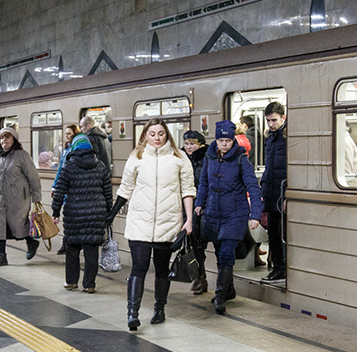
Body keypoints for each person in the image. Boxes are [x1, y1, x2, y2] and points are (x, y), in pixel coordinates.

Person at [107, 118, 195, 331]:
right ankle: (132, 313)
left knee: (162, 269)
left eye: (161, 134)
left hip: (168, 222)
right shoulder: (137, 156)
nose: (157, 138)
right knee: (139, 266)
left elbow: (188, 190)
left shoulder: (179, 157)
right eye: (152, 134)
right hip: (140, 222)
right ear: (145, 135)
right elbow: (126, 188)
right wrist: (112, 214)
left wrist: (189, 220)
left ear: (167, 135)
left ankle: (160, 308)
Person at [195, 121, 262, 314]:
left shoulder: (242, 160)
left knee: (226, 253)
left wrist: (255, 214)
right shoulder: (210, 157)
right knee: (219, 253)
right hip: (213, 212)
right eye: (221, 140)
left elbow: (253, 187)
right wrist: (199, 203)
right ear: (216, 140)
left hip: (235, 213)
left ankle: (220, 295)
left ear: (233, 141)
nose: (224, 144)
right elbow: (204, 182)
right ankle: (229, 290)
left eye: (228, 141)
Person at [52, 134, 113, 292]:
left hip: (74, 213)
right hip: (96, 213)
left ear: (74, 147)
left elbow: (59, 190)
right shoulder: (100, 165)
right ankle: (89, 284)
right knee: (91, 249)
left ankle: (72, 282)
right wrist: (109, 211)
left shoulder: (69, 166)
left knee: (72, 247)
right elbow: (108, 191)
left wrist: (55, 211)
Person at [0, 126, 42, 267]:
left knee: (18, 224)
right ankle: (2, 256)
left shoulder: (21, 155)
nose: (4, 140)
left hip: (18, 198)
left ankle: (31, 242)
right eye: (2, 137)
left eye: (7, 137)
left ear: (14, 140)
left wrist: (37, 197)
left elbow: (33, 177)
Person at [260, 102, 287, 282]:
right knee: (273, 234)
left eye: (274, 120)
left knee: (282, 233)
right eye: (268, 121)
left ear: (283, 118)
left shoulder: (287, 138)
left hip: (282, 193)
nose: (271, 124)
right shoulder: (270, 138)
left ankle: (282, 268)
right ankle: (278, 267)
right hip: (271, 192)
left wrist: (288, 195)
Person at [183, 130, 209, 294]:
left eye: (192, 144)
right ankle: (200, 276)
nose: (189, 147)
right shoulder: (182, 159)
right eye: (186, 144)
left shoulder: (207, 159)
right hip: (187, 207)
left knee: (200, 245)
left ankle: (202, 278)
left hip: (202, 207)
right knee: (193, 245)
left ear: (201, 144)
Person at [52, 123, 81, 255]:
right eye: (66, 134)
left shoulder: (75, 150)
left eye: (69, 134)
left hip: (72, 187)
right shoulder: (65, 150)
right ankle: (66, 241)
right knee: (67, 216)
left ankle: (68, 242)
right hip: (64, 186)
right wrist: (55, 186)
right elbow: (60, 169)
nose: (67, 136)